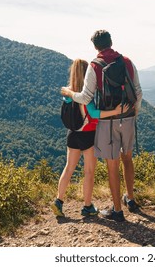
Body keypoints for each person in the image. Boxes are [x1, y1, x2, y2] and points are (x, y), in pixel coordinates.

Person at [61, 30, 142, 222]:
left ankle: (117, 211)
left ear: (96, 47)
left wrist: (69, 93)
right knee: (127, 158)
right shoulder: (128, 62)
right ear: (111, 42)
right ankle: (130, 199)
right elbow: (138, 92)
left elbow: (85, 97)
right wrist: (134, 111)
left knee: (112, 165)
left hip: (108, 121)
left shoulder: (95, 65)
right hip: (128, 116)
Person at [53, 59, 125, 218]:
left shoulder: (68, 93)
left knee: (68, 169)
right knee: (89, 172)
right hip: (88, 134)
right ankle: (87, 207)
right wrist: (116, 111)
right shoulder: (86, 94)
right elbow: (93, 113)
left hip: (72, 134)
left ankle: (58, 201)